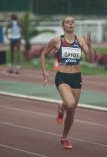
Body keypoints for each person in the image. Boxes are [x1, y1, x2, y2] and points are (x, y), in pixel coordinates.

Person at [40, 16, 94, 149]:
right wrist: (45, 72)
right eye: (67, 22)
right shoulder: (57, 40)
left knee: (72, 112)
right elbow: (43, 54)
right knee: (70, 103)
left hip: (76, 78)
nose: (70, 24)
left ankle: (64, 137)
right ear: (63, 26)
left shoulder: (80, 40)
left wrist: (90, 46)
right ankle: (63, 107)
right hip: (62, 77)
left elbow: (91, 59)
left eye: (72, 22)